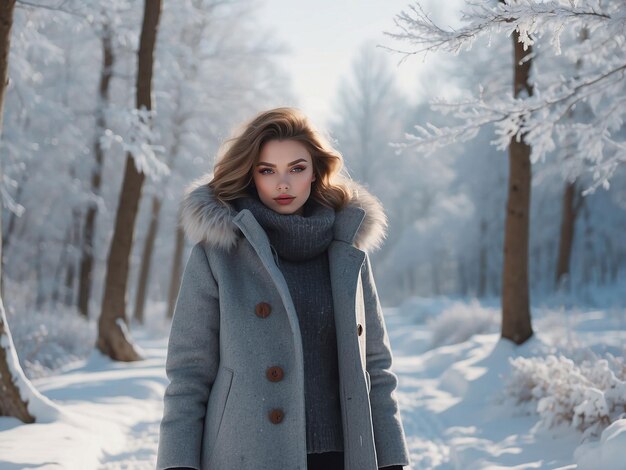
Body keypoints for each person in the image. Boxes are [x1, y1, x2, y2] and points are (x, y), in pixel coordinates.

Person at [156, 107, 410, 470]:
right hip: (245, 453)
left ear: (316, 171)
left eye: (296, 168)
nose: (283, 184)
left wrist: (391, 460)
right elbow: (188, 374)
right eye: (267, 170)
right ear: (250, 174)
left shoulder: (347, 252)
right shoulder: (218, 256)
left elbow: (377, 367)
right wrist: (178, 464)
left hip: (343, 457)